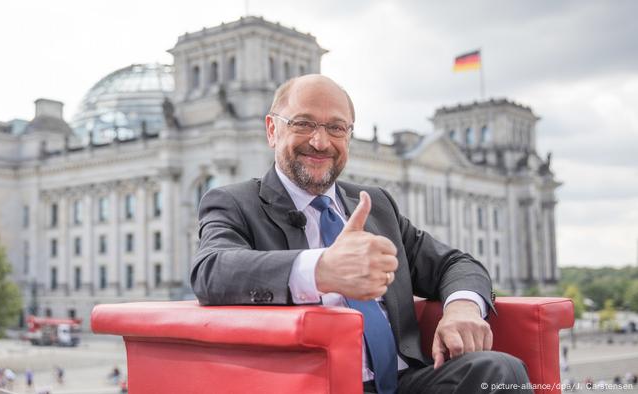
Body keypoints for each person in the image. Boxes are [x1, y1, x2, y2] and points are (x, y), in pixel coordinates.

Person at [191, 74, 531, 393]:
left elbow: (456, 263)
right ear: (272, 131)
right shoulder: (234, 202)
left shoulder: (375, 204)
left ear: (349, 136)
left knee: (499, 371)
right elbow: (212, 271)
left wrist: (461, 309)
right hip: (314, 384)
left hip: (405, 380)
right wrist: (321, 270)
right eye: (304, 123)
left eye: (336, 128)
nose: (320, 141)